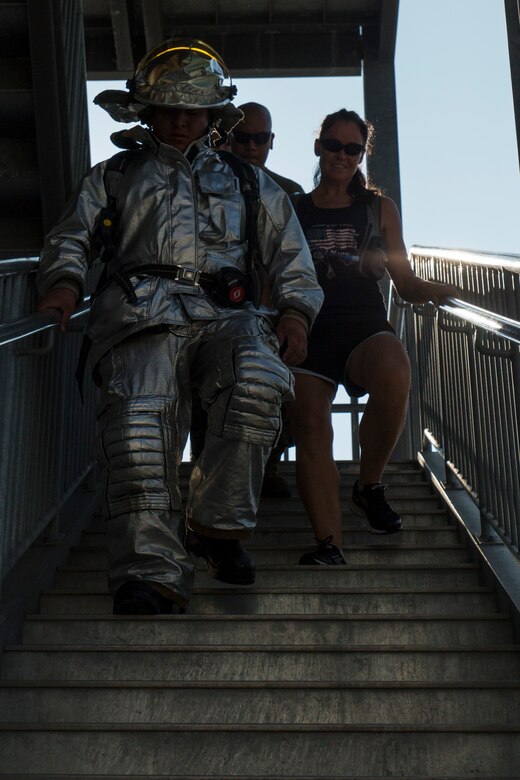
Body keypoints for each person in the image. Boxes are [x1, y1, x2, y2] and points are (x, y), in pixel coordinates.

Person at [36, 39, 323, 614]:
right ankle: (148, 574)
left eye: (192, 110)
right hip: (137, 320)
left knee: (258, 377)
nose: (180, 120)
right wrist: (64, 284)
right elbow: (71, 237)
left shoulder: (250, 182)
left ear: (213, 115)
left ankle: (217, 526)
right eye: (168, 108)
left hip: (229, 316)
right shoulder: (113, 177)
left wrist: (295, 310)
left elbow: (292, 255)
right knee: (139, 430)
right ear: (148, 111)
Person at [286, 108, 460, 565]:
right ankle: (330, 544)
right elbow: (275, 276)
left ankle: (369, 485)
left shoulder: (378, 208)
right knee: (312, 424)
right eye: (333, 145)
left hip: (363, 325)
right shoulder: (292, 209)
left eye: (352, 149)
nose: (342, 156)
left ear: (361, 155)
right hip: (309, 329)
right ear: (318, 146)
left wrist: (438, 290)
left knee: (395, 372)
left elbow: (404, 282)